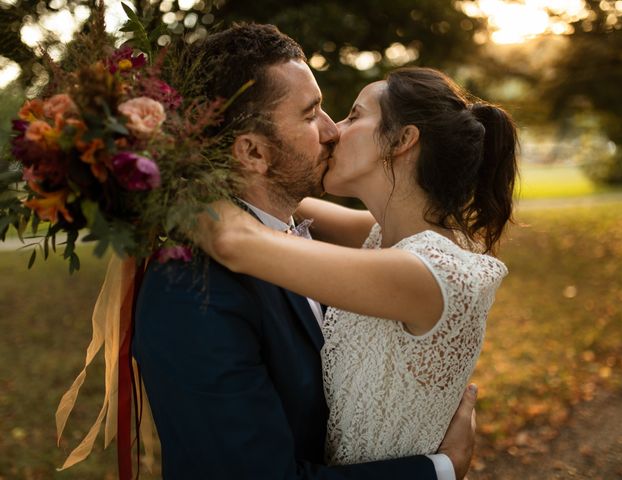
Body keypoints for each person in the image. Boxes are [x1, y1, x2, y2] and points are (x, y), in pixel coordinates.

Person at [133, 24, 475, 480]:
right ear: (253, 152)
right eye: (311, 113)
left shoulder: (331, 242)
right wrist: (440, 470)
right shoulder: (192, 289)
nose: (332, 130)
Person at [195, 67, 518, 468]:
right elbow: (274, 197)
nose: (333, 131)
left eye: (353, 115)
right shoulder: (387, 236)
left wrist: (153, 168)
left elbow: (235, 240)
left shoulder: (428, 273)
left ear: (401, 140)